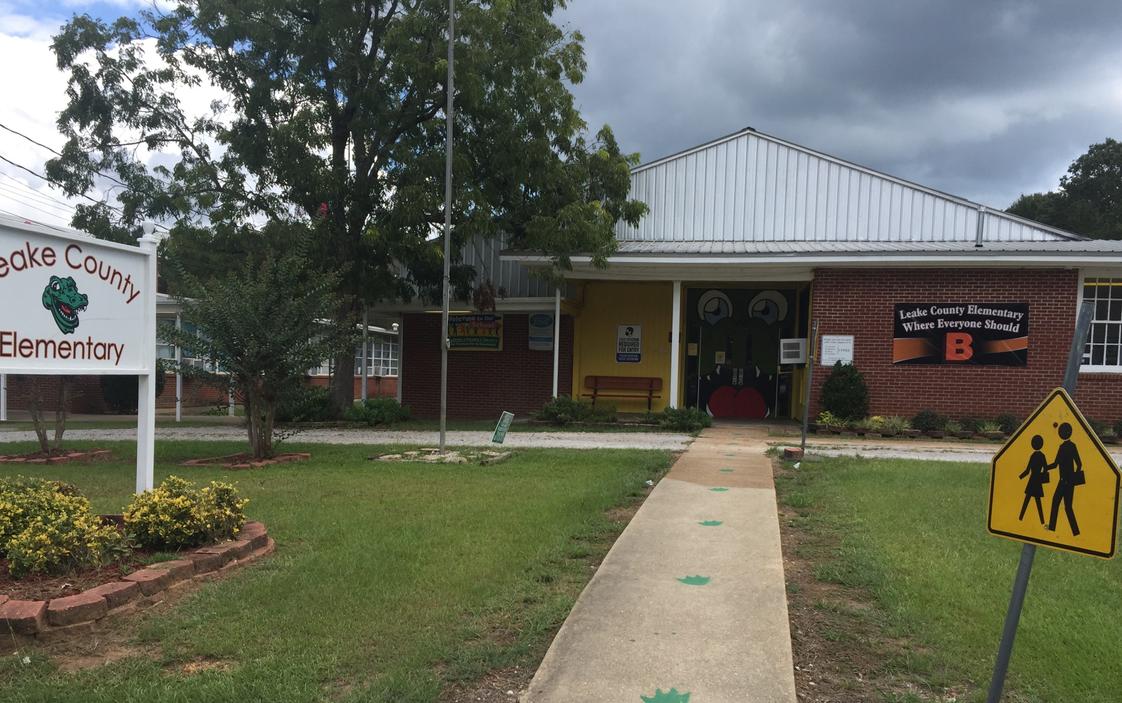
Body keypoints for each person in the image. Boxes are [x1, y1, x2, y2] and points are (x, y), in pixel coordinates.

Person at [1045, 422, 1082, 536]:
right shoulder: (1073, 446)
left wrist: (1045, 467)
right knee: (1068, 507)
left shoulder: (1062, 447)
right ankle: (1075, 531)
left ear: (1062, 434)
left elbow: (1056, 464)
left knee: (1056, 502)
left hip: (1063, 481)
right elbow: (1079, 464)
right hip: (1070, 481)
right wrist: (1074, 477)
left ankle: (1052, 527)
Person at [1017, 434, 1049, 524]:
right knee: (1038, 502)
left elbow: (1027, 471)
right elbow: (1046, 468)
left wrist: (1020, 477)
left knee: (1026, 500)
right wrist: (1043, 475)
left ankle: (1020, 517)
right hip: (1038, 481)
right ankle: (1042, 521)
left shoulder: (1032, 456)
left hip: (1032, 481)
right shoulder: (1042, 456)